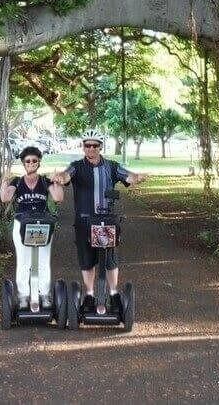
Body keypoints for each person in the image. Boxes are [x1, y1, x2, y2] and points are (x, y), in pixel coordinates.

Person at [51, 129, 147, 315]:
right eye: (88, 145)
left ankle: (113, 293)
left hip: (106, 221)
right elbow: (66, 175)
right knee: (87, 261)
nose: (91, 149)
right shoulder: (77, 166)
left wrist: (136, 178)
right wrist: (60, 177)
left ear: (100, 147)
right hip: (84, 222)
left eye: (95, 145)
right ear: (83, 147)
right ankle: (89, 294)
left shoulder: (111, 166)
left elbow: (128, 176)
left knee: (110, 259)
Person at [0, 146, 64, 312]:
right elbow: (5, 198)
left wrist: (57, 183)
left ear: (39, 162)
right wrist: (4, 182)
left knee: (43, 261)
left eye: (34, 160)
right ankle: (23, 296)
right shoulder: (18, 182)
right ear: (24, 163)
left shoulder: (44, 181)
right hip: (22, 224)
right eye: (28, 161)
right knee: (24, 261)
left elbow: (58, 198)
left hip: (42, 224)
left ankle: (44, 295)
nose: (31, 163)